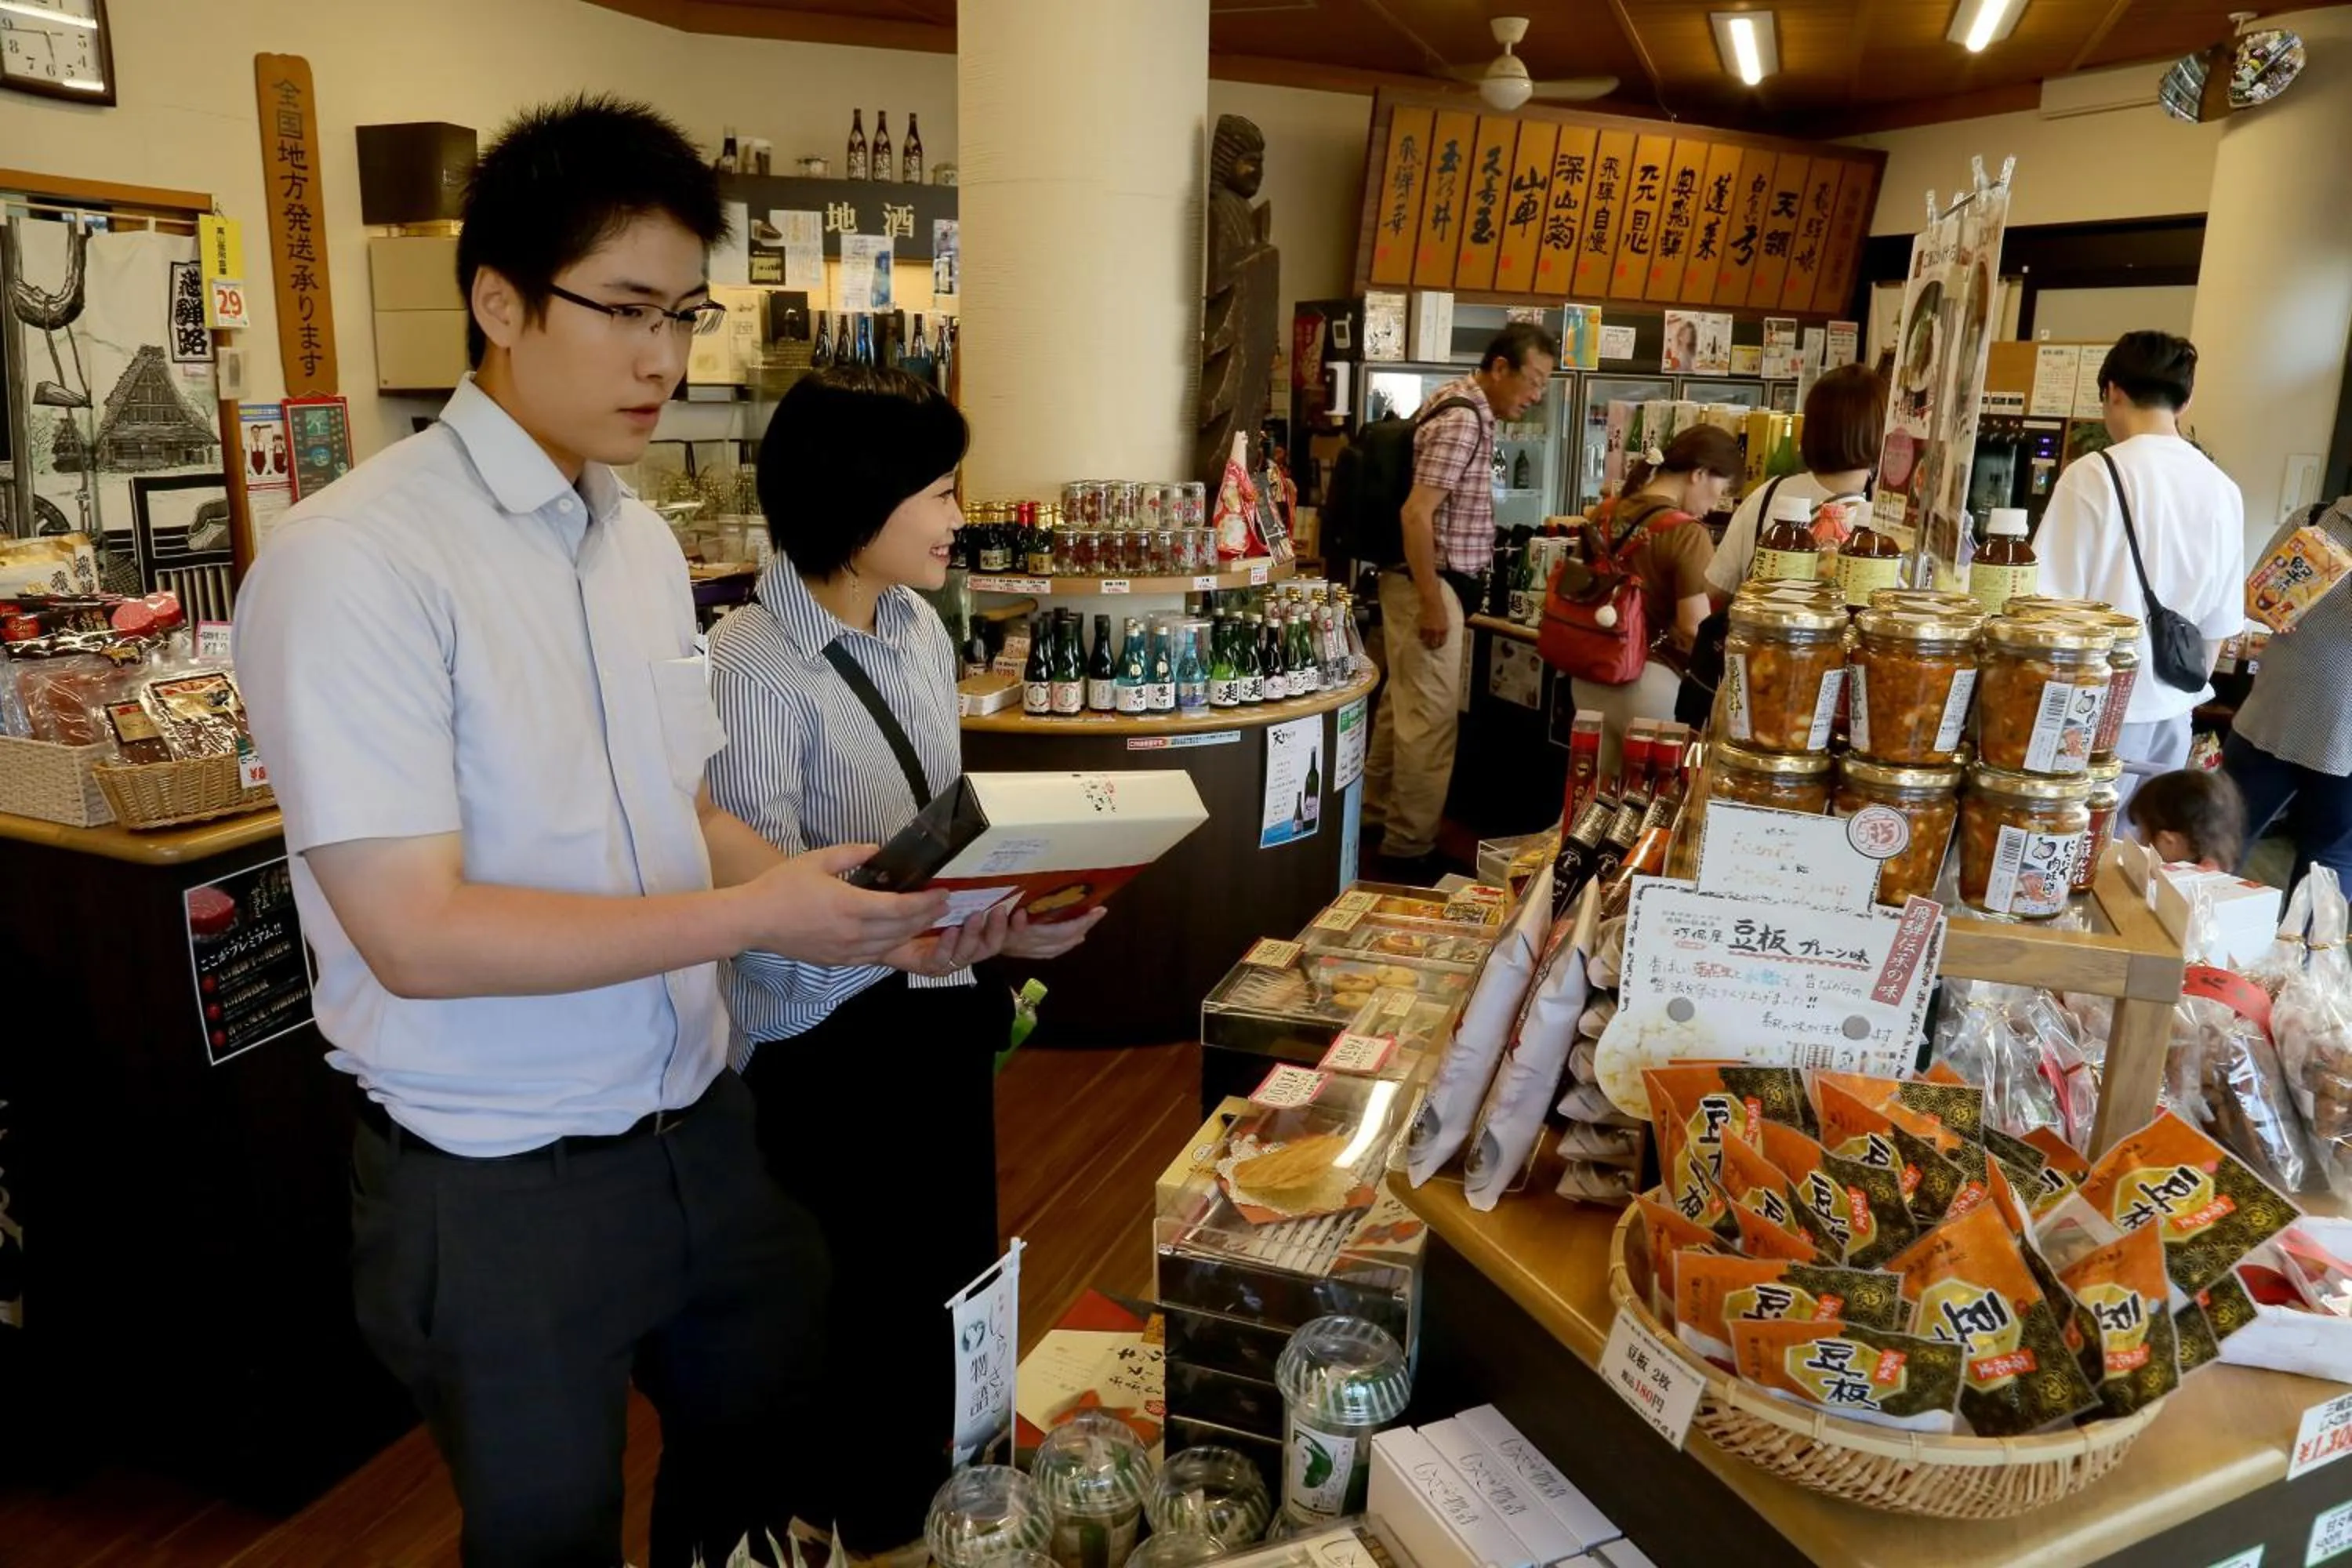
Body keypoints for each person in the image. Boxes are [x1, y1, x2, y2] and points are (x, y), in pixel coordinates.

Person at [234, 98, 952, 1568]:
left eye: (685, 313)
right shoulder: (353, 564)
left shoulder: (632, 543)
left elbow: (680, 816)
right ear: (497, 299)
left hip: (701, 1119)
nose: (665, 359)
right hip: (492, 1175)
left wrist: (880, 899)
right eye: (625, 310)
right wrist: (757, 918)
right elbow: (416, 937)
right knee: (548, 1529)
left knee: (761, 1441)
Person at [708, 366, 1107, 1559]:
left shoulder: (921, 629)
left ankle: (942, 1501)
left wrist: (1003, 917)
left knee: (945, 1282)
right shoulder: (749, 663)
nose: (955, 516)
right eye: (939, 491)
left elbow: (940, 830)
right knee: (851, 1310)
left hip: (934, 1009)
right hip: (826, 1042)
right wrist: (907, 934)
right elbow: (760, 907)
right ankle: (861, 1522)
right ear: (858, 498)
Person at [1363, 322, 1558, 880]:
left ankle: (1375, 822)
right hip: (1431, 583)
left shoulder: (1454, 402)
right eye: (1534, 380)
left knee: (1402, 712)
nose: (1537, 394)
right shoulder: (1461, 418)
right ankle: (1408, 852)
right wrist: (1430, 599)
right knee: (1431, 722)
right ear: (1501, 368)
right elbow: (1416, 514)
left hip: (1422, 582)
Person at [2036, 331, 2245, 786]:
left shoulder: (2092, 474)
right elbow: (2219, 627)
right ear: (2184, 403)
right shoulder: (2224, 490)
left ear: (2112, 391)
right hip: (2175, 712)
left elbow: (2048, 608)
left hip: (2092, 711)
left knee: (2076, 838)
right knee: (2141, 851)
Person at [1573, 425, 1737, 779]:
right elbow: (1693, 626)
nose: (1713, 505)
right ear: (1699, 474)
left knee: (1588, 798)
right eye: (1719, 490)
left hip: (1587, 674)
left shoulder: (1603, 513)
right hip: (1648, 684)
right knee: (1646, 807)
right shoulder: (1686, 533)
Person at [2226, 495, 2352, 887]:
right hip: (2270, 720)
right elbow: (2249, 600)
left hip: (2344, 745)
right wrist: (2269, 606)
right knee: (2218, 838)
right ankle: (2189, 941)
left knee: (2327, 866)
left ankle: (2303, 951)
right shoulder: (2314, 519)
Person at [1704, 363, 1886, 593]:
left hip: (1759, 627)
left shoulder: (1768, 493)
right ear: (1881, 433)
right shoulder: (1879, 525)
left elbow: (1716, 589)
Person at [2126, 768, 2247, 873]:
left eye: (2143, 834)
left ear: (2168, 841)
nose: (2139, 841)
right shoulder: (2216, 860)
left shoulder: (2182, 886)